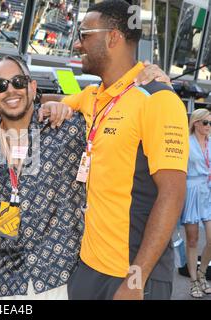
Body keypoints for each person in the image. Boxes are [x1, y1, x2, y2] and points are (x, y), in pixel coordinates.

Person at [59, 0, 189, 300]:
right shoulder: (94, 96)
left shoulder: (158, 99)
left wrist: (137, 278)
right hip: (88, 269)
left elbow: (173, 194)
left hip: (132, 273)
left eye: (85, 34)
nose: (78, 45)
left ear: (113, 37)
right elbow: (33, 105)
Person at [0, 55, 87, 300]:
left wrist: (151, 78)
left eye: (18, 81)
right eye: (0, 86)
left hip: (63, 279)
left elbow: (106, 104)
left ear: (32, 87)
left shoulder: (67, 127)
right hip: (7, 284)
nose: (10, 90)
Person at [181, 108, 211, 298]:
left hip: (208, 191)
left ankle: (202, 275)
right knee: (192, 240)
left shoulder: (210, 143)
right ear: (196, 123)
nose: (209, 126)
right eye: (206, 123)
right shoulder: (186, 143)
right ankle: (194, 281)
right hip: (191, 190)